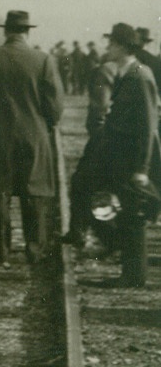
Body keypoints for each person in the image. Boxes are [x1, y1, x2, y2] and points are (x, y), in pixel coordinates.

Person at [63, 23, 161, 287]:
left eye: (112, 44)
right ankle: (129, 272)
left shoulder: (139, 75)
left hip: (131, 157)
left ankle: (133, 277)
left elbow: (147, 125)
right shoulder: (134, 72)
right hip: (122, 155)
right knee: (124, 210)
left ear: (120, 46)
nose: (108, 48)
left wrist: (142, 168)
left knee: (133, 215)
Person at [0, 10, 64, 265]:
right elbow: (55, 104)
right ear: (27, 32)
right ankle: (34, 251)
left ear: (6, 31)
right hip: (33, 135)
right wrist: (45, 127)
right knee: (34, 194)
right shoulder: (43, 60)